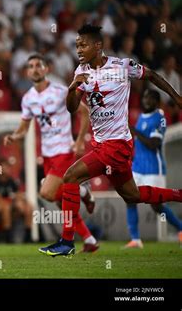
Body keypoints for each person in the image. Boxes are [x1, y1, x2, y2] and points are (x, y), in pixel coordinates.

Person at [39, 24, 182, 257]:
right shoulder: (80, 71)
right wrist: (73, 88)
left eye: (83, 45)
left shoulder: (122, 66)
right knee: (131, 195)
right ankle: (179, 194)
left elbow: (152, 75)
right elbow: (71, 108)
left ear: (98, 45)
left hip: (116, 144)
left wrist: (176, 97)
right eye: (77, 45)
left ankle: (67, 241)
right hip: (103, 145)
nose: (79, 49)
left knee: (70, 177)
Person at [4, 54, 99, 253]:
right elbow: (24, 128)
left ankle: (82, 193)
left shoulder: (61, 91)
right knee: (60, 200)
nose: (35, 69)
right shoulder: (28, 98)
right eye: (30, 66)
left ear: (46, 69)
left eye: (38, 65)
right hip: (47, 155)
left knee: (46, 192)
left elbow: (84, 112)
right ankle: (89, 239)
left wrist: (80, 140)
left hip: (64, 150)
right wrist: (14, 136)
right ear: (27, 72)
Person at [125, 89, 182, 248]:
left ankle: (180, 228)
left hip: (153, 168)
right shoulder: (141, 117)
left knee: (157, 206)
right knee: (129, 199)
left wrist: (134, 131)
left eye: (149, 97)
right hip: (137, 167)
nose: (145, 100)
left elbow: (153, 144)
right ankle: (135, 239)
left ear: (157, 102)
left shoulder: (160, 118)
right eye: (144, 96)